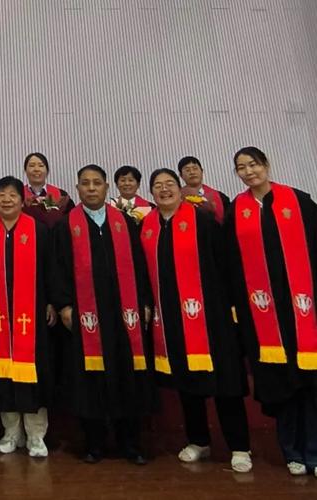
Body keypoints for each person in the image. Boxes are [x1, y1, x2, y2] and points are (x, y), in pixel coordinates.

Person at [141, 168, 252, 472]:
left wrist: (230, 307)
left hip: (211, 317)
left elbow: (226, 264)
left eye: (168, 185)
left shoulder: (202, 220)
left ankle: (239, 447)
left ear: (179, 189)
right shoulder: (148, 226)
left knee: (224, 385)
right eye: (157, 187)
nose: (164, 190)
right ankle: (198, 441)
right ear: (151, 193)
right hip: (173, 318)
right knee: (188, 384)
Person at [52, 165, 155, 465]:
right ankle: (94, 442)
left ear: (107, 188)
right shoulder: (65, 226)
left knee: (127, 376)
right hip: (86, 318)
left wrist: (145, 302)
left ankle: (130, 443)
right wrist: (64, 305)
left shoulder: (124, 223)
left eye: (97, 183)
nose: (92, 188)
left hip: (124, 317)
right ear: (77, 188)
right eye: (86, 183)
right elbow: (56, 271)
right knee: (90, 378)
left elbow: (141, 266)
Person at [224, 147, 317, 477]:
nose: (248, 172)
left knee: (311, 383)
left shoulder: (299, 201)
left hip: (303, 311)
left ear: (266, 165)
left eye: (253, 165)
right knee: (282, 385)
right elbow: (232, 263)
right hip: (262, 315)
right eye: (241, 168)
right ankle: (291, 451)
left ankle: (314, 453)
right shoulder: (238, 210)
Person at [0, 176, 55, 458]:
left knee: (33, 374)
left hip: (31, 318)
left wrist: (52, 303)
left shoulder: (40, 231)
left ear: (23, 200)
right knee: (2, 374)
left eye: (12, 195)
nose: (6, 200)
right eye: (1, 195)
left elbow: (51, 272)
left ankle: (35, 435)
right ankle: (10, 432)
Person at [22, 152, 74, 227]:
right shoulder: (19, 196)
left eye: (41, 165)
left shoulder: (61, 196)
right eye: (31, 166)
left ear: (47, 171)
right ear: (25, 170)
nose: (36, 169)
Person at [177, 156, 230, 224]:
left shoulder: (220, 197)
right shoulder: (177, 198)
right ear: (181, 175)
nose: (192, 172)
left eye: (195, 168)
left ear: (202, 171)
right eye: (187, 170)